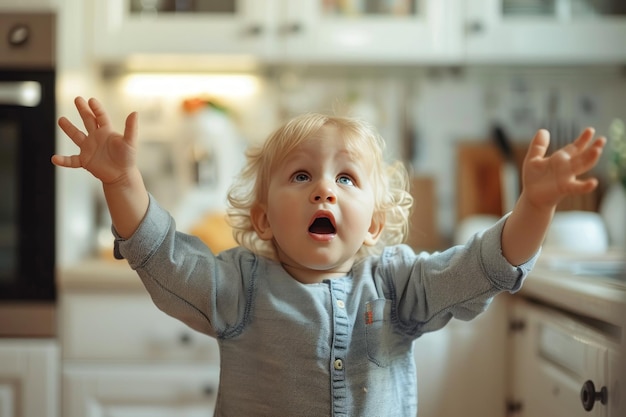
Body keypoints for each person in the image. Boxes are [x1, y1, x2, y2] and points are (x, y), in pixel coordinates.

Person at [53, 96, 606, 416]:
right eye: (301, 175)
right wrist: (124, 182)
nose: (325, 190)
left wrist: (534, 205)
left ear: (375, 223)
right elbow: (164, 257)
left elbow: (482, 268)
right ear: (265, 217)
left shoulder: (397, 284)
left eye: (346, 177)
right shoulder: (240, 285)